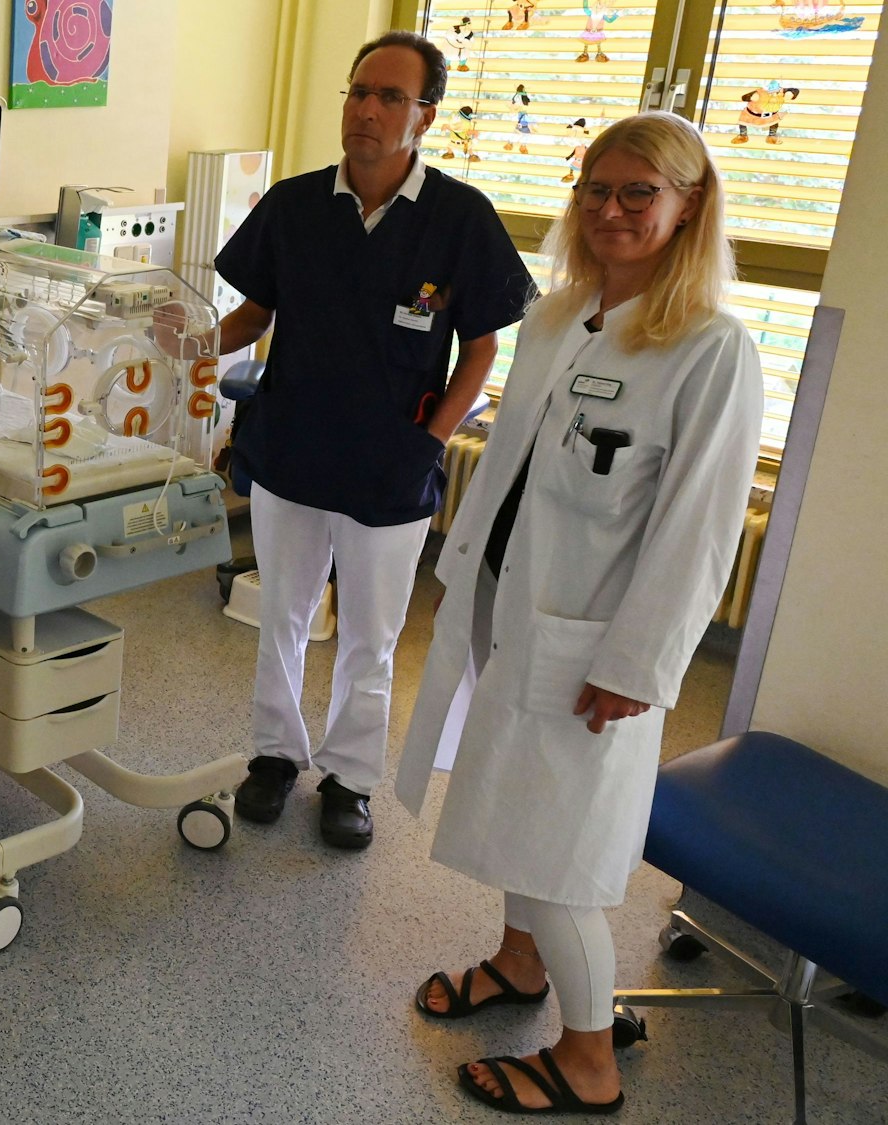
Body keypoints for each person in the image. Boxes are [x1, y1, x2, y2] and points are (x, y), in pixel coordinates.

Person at [395, 112, 763, 1115]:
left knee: (560, 855)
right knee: (519, 808)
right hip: (515, 607)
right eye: (596, 189)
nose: (611, 210)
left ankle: (588, 1057)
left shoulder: (710, 349)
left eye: (639, 193)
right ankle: (519, 964)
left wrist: (636, 665)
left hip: (595, 643)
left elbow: (697, 533)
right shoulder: (560, 316)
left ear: (688, 206)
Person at [157, 31, 532, 849]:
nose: (366, 109)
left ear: (425, 116)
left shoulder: (459, 219)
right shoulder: (295, 205)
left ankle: (351, 779)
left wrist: (431, 440)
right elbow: (255, 314)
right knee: (281, 615)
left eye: (390, 96)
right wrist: (193, 343)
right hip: (292, 448)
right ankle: (274, 756)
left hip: (391, 463)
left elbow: (481, 348)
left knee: (371, 634)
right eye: (358, 91)